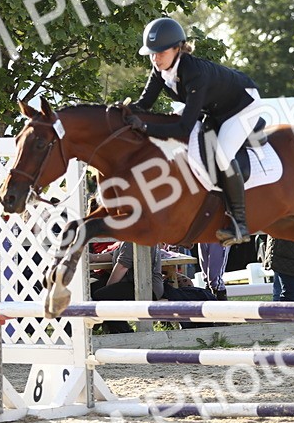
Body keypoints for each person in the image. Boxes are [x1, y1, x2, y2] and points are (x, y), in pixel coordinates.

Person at [125, 17, 261, 246]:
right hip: (216, 108)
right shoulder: (159, 69)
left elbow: (184, 127)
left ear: (178, 48)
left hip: (242, 106)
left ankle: (240, 223)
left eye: (160, 52)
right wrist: (120, 112)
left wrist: (146, 128)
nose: (155, 58)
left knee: (223, 154)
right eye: (151, 53)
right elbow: (144, 104)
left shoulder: (194, 72)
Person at [89, 242, 166, 333]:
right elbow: (116, 254)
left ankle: (123, 332)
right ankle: (106, 327)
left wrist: (108, 288)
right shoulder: (132, 238)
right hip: (137, 282)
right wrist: (93, 257)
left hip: (148, 287)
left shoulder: (133, 238)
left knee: (103, 296)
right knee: (91, 288)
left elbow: (122, 266)